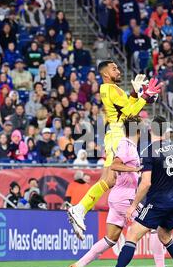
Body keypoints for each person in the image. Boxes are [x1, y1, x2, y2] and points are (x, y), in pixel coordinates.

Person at [69, 116, 173, 267]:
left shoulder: (129, 145)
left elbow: (114, 171)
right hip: (126, 198)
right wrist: (134, 169)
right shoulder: (126, 145)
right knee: (154, 227)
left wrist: (129, 173)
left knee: (111, 238)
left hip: (118, 196)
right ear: (138, 129)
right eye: (142, 126)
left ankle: (78, 266)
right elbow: (115, 165)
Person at [94, 116, 173, 267]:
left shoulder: (149, 151)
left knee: (132, 236)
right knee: (165, 237)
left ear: (151, 130)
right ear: (165, 130)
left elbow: (146, 183)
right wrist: (165, 175)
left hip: (157, 202)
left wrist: (133, 205)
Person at [66, 61, 162, 239]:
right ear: (105, 74)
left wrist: (134, 94)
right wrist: (145, 96)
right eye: (114, 68)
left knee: (109, 179)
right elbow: (129, 114)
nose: (118, 70)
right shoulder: (111, 89)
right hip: (118, 134)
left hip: (117, 133)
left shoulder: (110, 89)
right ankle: (80, 208)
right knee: (111, 178)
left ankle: (80, 209)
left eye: (118, 67)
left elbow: (125, 108)